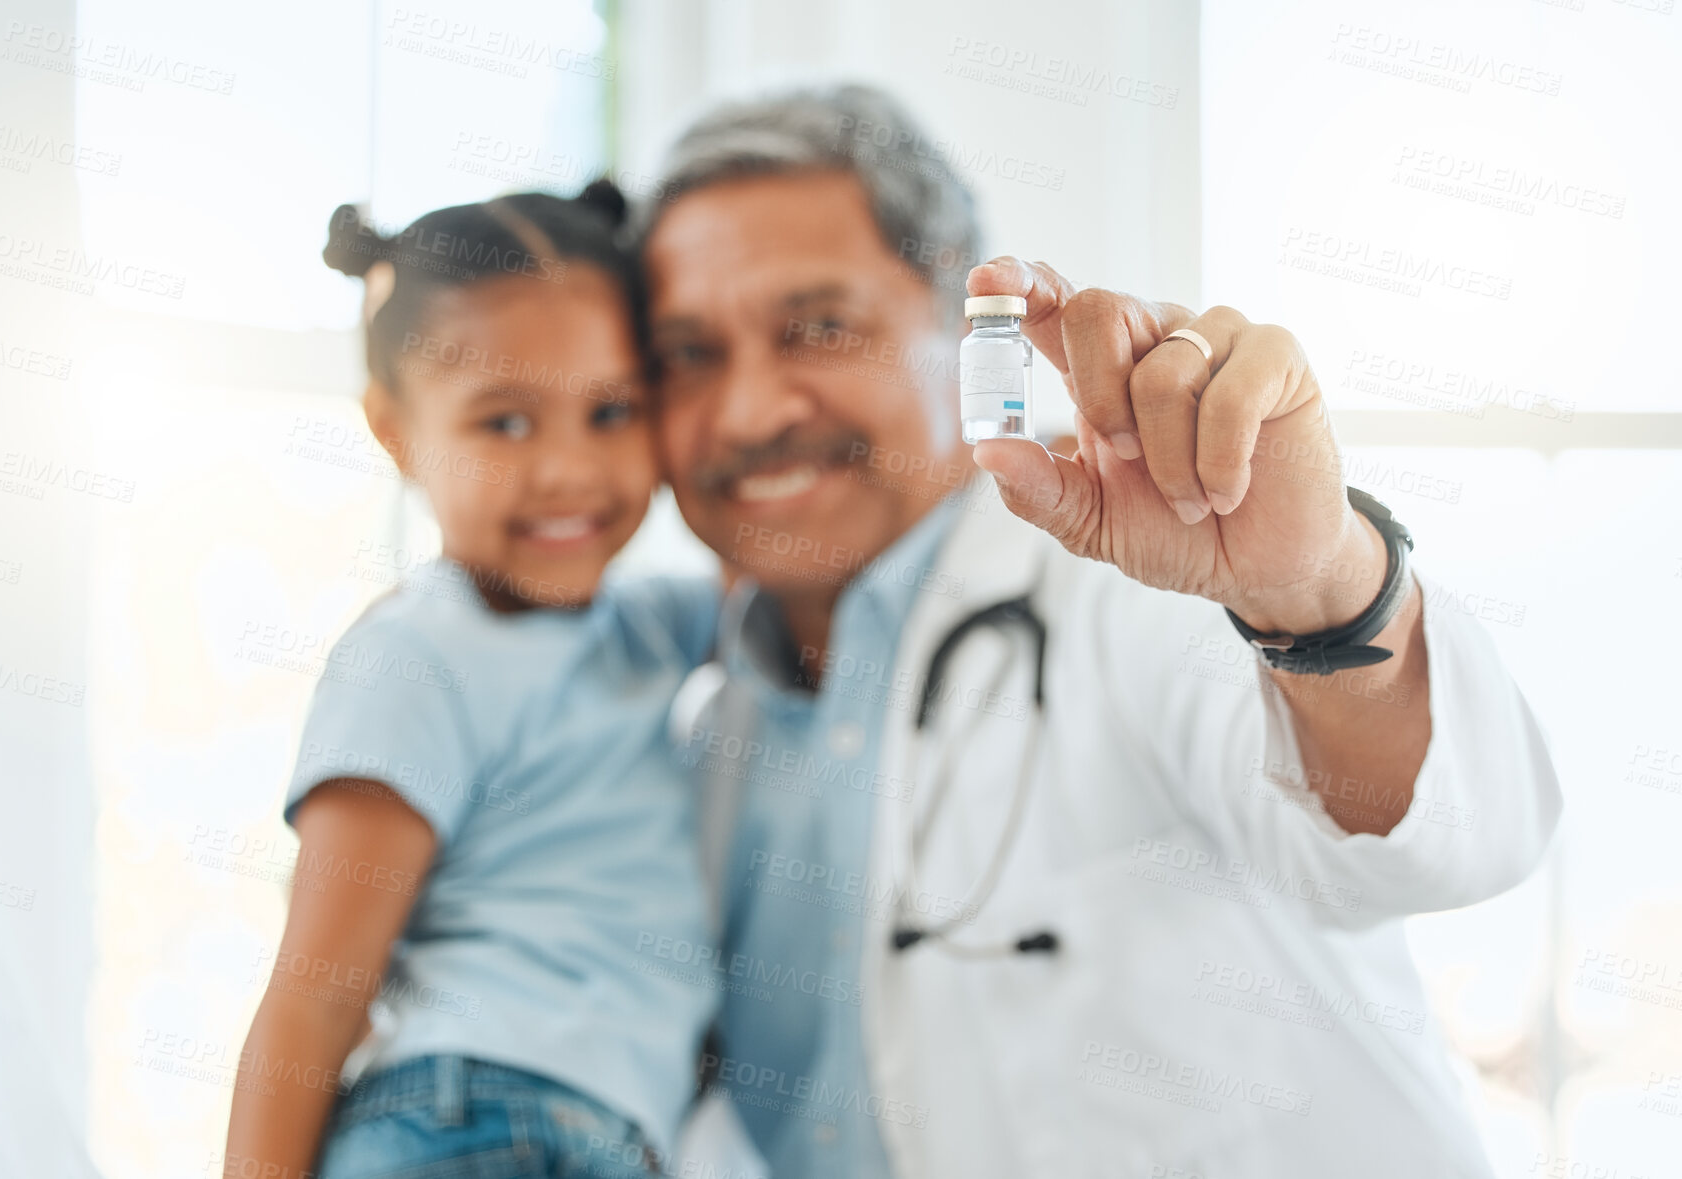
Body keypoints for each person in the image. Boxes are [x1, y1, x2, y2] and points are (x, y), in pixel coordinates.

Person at [640, 85, 1561, 1179]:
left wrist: (1316, 589)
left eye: (819, 327)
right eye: (688, 353)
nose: (749, 411)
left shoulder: (1132, 580)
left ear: (953, 318)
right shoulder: (704, 732)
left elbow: (1428, 844)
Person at [223, 185, 717, 1179]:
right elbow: (315, 995)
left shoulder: (658, 627)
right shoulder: (417, 657)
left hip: (586, 1135)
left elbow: (828, 591)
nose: (568, 469)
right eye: (504, 423)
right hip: (471, 1122)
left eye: (612, 411)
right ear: (396, 432)